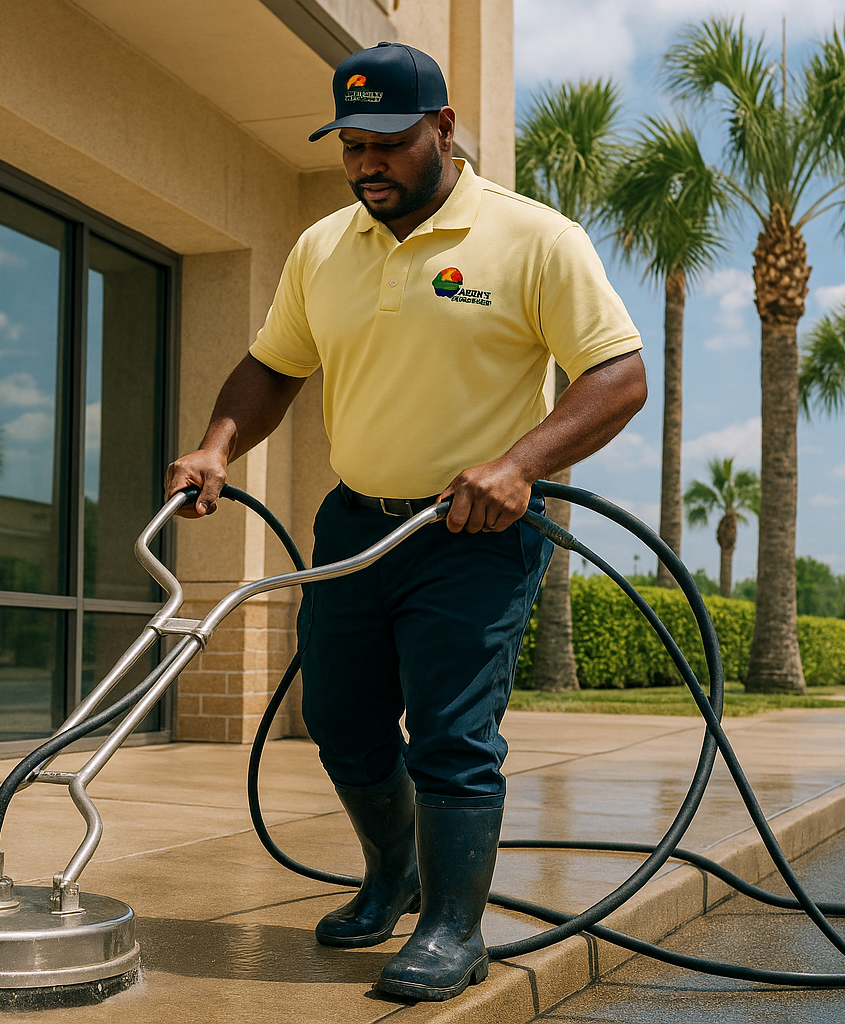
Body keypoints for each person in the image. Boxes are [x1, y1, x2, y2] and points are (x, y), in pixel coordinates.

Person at [164, 41, 647, 1002]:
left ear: (443, 129)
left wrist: (519, 466)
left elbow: (619, 375)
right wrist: (218, 444)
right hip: (356, 528)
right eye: (350, 143)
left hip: (472, 534)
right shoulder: (322, 247)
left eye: (387, 142)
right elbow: (273, 368)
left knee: (451, 736)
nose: (365, 163)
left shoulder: (533, 240)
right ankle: (392, 874)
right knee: (341, 723)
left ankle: (452, 929)